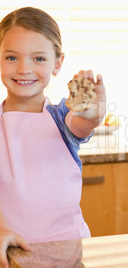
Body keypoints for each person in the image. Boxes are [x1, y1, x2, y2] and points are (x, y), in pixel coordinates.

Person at [0, 7, 106, 267]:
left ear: (57, 64)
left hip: (70, 250)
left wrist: (92, 112)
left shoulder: (62, 117)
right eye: (11, 58)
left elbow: (83, 122)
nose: (24, 68)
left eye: (38, 58)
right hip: (9, 251)